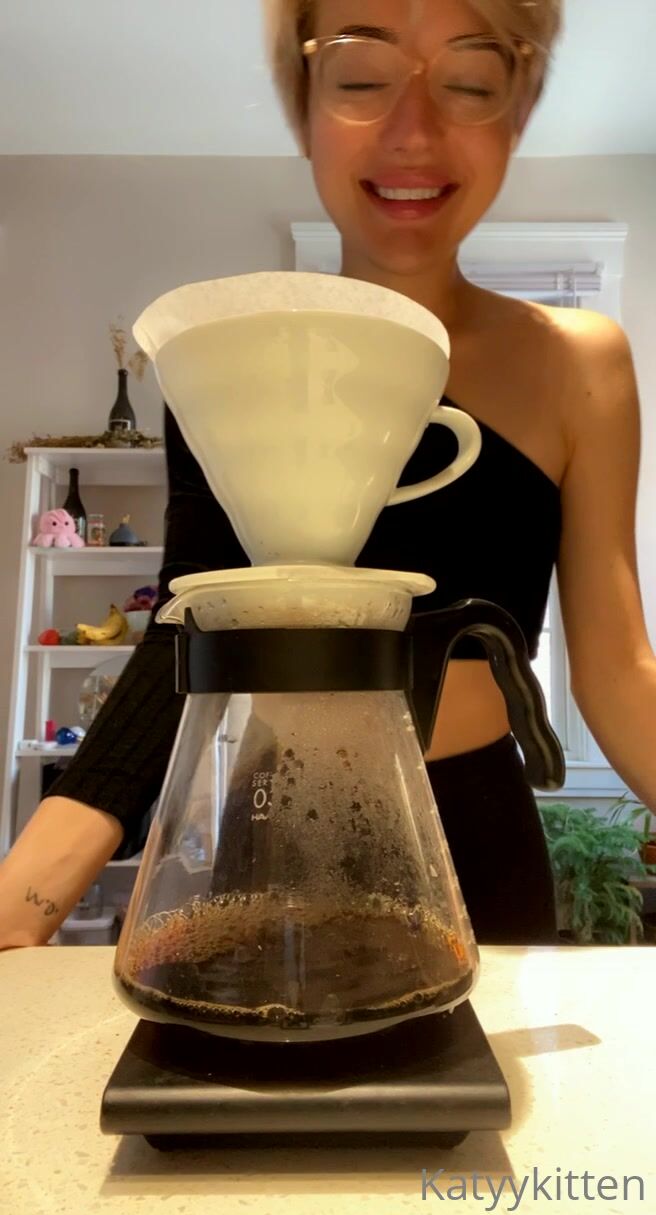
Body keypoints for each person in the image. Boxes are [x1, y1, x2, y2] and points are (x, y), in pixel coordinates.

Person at [2, 0, 655, 950]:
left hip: (479, 841)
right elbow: (185, 630)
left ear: (517, 111)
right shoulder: (219, 361)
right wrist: (27, 897)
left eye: (469, 81)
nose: (413, 131)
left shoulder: (578, 363)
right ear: (304, 105)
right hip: (272, 832)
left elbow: (619, 670)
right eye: (361, 79)